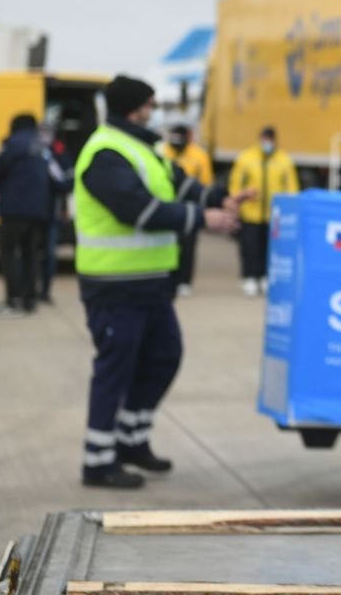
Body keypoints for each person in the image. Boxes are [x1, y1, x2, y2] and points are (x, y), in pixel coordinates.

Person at [74, 75, 245, 489]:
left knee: (164, 356)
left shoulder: (142, 148)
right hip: (114, 284)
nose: (155, 112)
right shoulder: (105, 153)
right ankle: (98, 461)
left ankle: (132, 440)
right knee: (115, 371)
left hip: (149, 284)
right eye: (151, 105)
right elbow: (138, 210)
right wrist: (203, 220)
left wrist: (220, 199)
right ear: (135, 108)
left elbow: (179, 182)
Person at [0, 113, 55, 315]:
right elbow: (55, 176)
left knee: (8, 252)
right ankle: (30, 300)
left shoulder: (13, 144)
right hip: (38, 209)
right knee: (30, 254)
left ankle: (13, 300)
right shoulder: (43, 148)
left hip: (14, 209)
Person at [229, 126, 298, 297]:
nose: (267, 142)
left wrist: (288, 207)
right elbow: (235, 184)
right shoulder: (246, 158)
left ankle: (265, 277)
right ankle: (249, 277)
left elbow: (292, 187)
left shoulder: (284, 160)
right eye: (265, 138)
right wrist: (241, 196)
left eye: (270, 139)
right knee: (250, 246)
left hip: (273, 214)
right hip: (251, 212)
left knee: (269, 248)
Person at [162, 125, 213, 296]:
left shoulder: (199, 155)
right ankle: (170, 278)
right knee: (169, 243)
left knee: (188, 245)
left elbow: (206, 181)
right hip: (167, 204)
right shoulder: (162, 152)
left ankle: (185, 281)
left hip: (190, 205)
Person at [38, 125, 73, 306]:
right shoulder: (35, 152)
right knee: (32, 254)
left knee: (48, 255)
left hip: (50, 213)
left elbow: (67, 182)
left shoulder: (57, 153)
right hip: (36, 213)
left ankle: (43, 292)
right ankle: (29, 291)